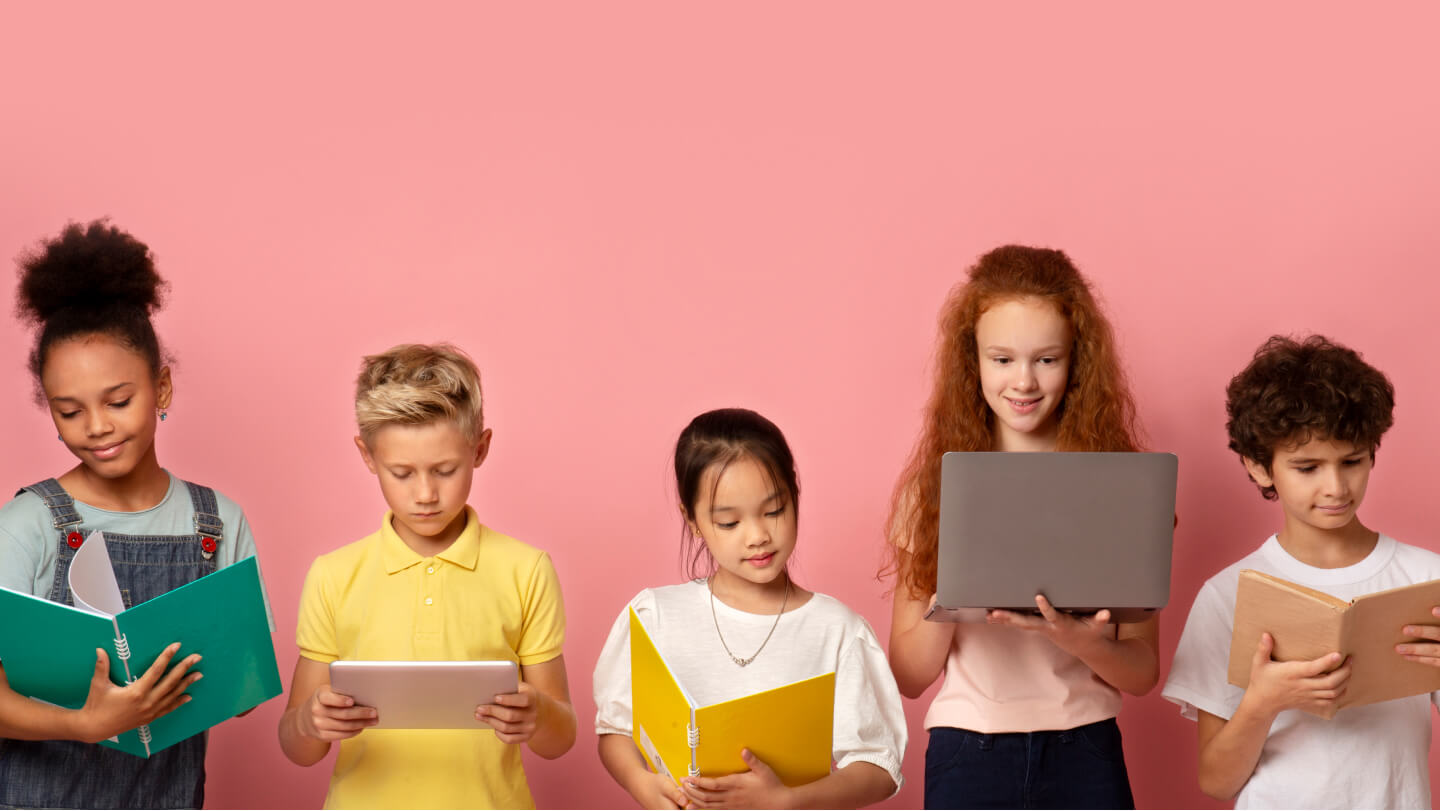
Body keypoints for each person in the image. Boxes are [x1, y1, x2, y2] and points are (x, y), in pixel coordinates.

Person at [883, 245, 1159, 808]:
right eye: (1002, 359)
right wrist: (956, 595)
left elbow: (1142, 671)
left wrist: (1080, 640)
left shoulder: (1119, 485)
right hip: (969, 748)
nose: (1024, 381)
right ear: (973, 362)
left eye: (1047, 359)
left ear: (1077, 361)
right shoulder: (931, 489)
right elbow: (908, 677)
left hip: (1086, 747)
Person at [0, 221, 265, 808]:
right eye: (69, 412)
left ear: (163, 388)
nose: (97, 427)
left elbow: (242, 685)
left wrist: (237, 677)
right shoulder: (28, 525)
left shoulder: (216, 523)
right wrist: (82, 723)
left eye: (118, 401)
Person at [276, 343, 575, 809]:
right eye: (402, 473)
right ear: (368, 456)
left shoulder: (526, 569)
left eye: (445, 470)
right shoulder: (334, 575)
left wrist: (538, 715)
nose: (425, 494)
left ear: (480, 449)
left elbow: (559, 740)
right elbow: (298, 747)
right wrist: (310, 723)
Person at [1162, 335, 1439, 809]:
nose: (1335, 487)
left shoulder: (1426, 576)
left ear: (1372, 451)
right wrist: (1264, 702)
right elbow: (1216, 780)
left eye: (1351, 461)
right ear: (1260, 466)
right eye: (1307, 467)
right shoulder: (1227, 595)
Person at [593, 408, 906, 809]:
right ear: (693, 521)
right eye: (729, 523)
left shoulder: (836, 629)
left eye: (774, 511)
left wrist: (789, 801)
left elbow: (878, 766)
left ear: (795, 496)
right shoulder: (656, 616)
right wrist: (642, 784)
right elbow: (615, 729)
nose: (758, 536)